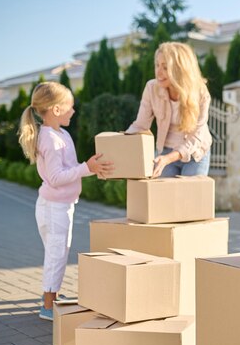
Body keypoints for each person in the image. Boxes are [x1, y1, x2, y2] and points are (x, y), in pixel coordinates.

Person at [18, 82, 113, 321]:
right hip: (54, 208)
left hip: (60, 206)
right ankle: (48, 306)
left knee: (58, 252)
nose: (74, 111)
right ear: (56, 109)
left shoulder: (61, 134)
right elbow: (56, 178)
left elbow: (71, 169)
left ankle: (53, 298)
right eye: (70, 106)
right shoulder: (50, 139)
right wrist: (86, 167)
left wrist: (92, 169)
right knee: (56, 254)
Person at [125, 41, 212, 178]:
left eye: (165, 67)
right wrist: (119, 144)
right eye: (157, 65)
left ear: (180, 69)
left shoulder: (200, 93)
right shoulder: (151, 88)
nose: (158, 72)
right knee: (165, 199)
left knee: (189, 199)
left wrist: (168, 158)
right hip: (165, 152)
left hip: (195, 154)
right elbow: (140, 125)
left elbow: (196, 136)